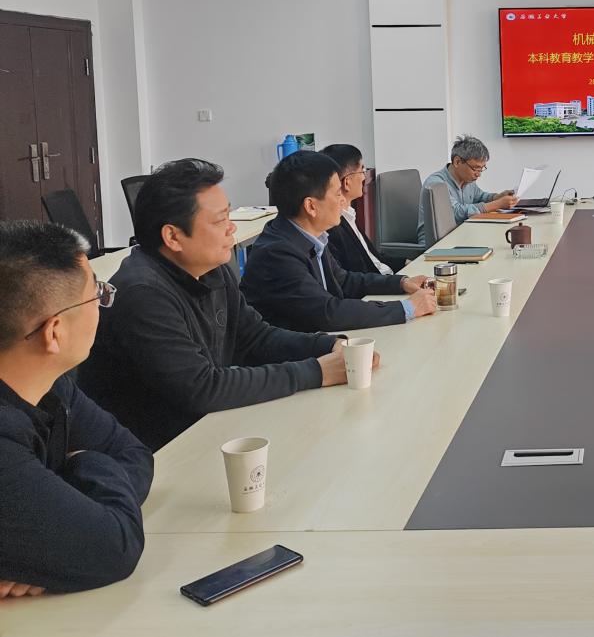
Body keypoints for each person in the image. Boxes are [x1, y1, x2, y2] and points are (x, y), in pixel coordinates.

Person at [77, 159, 377, 451]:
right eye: (220, 220)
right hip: (159, 452)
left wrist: (329, 345)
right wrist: (317, 371)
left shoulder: (210, 268)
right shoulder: (142, 293)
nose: (232, 229)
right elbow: (202, 388)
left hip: (206, 430)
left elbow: (255, 337)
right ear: (173, 236)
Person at [0, 220, 153, 595]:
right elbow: (114, 548)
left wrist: (60, 517)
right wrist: (86, 467)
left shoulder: (51, 385)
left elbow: (134, 455)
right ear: (54, 332)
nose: (101, 304)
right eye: (95, 294)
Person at [244, 151, 437, 332]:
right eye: (337, 194)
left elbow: (344, 280)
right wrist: (406, 308)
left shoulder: (311, 235)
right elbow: (327, 313)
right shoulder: (277, 253)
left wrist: (402, 283)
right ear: (311, 206)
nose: (342, 201)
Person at [417, 135, 518, 248]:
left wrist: (498, 197)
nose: (478, 174)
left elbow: (480, 196)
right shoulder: (436, 184)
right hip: (438, 245)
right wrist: (498, 204)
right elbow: (456, 212)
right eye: (475, 168)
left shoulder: (467, 180)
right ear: (457, 162)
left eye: (482, 168)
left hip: (461, 236)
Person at [321, 144, 398, 273]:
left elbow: (375, 258)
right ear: (347, 182)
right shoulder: (333, 226)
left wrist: (406, 263)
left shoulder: (349, 215)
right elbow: (352, 277)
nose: (364, 176)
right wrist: (400, 282)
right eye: (362, 171)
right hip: (378, 283)